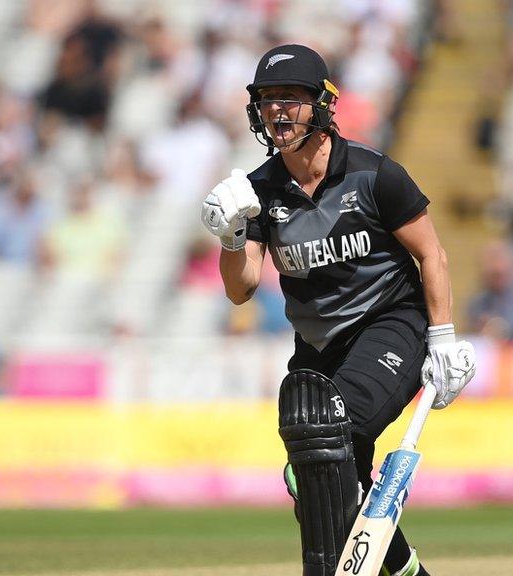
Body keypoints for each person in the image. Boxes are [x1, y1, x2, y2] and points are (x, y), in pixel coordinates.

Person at [201, 44, 477, 576]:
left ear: (322, 105)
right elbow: (241, 289)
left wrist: (442, 336)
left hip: (391, 324)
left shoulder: (374, 174)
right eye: (267, 100)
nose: (277, 111)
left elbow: (430, 253)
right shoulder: (258, 191)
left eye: (291, 99)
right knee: (315, 480)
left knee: (327, 440)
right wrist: (233, 237)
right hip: (318, 348)